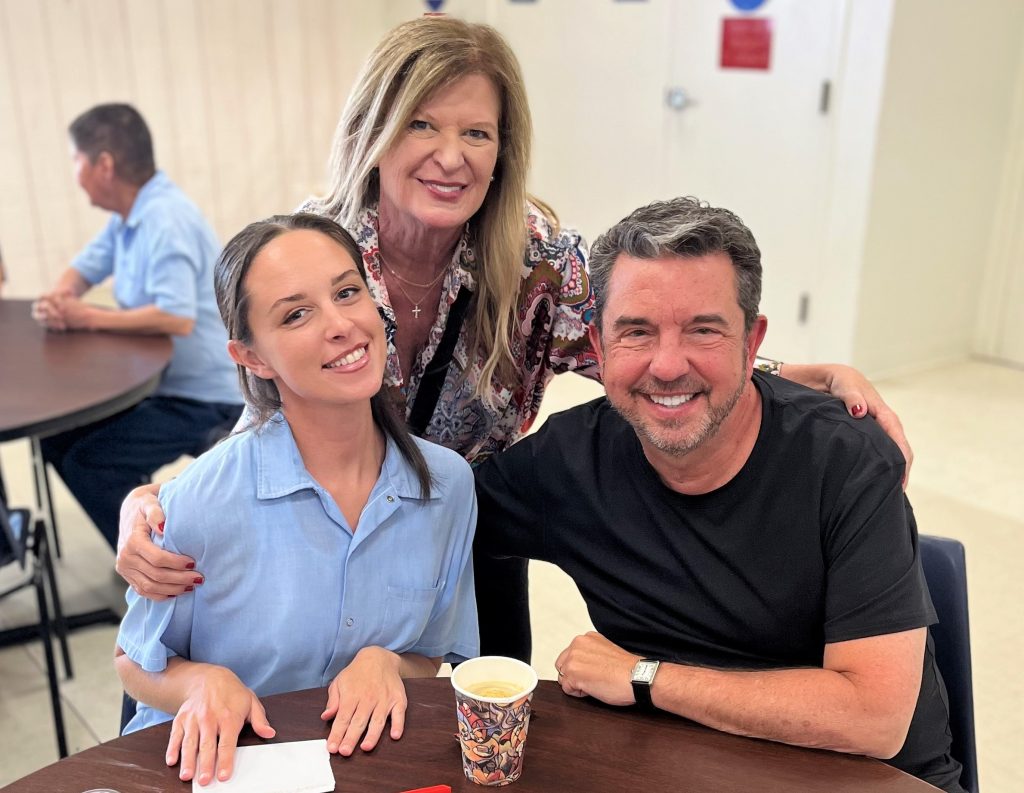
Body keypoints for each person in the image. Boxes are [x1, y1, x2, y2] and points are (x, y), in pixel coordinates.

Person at [113, 18, 910, 620]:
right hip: (331, 535)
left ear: (502, 151)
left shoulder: (533, 255)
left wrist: (809, 378)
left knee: (483, 734)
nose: (450, 155)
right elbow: (258, 417)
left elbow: (647, 350)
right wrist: (155, 500)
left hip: (471, 528)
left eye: (476, 132)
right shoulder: (312, 253)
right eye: (422, 123)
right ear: (373, 132)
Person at [472, 197, 965, 793]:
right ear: (598, 352)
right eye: (637, 331)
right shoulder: (565, 463)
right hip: (686, 768)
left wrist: (644, 676)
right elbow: (426, 521)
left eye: (704, 330)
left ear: (751, 343)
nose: (669, 365)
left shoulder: (844, 461)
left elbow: (873, 719)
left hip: (873, 780)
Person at [115, 213, 478, 786]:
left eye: (347, 292)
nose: (340, 325)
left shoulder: (448, 486)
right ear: (253, 357)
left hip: (357, 766)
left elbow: (435, 649)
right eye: (296, 314)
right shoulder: (201, 502)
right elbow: (133, 660)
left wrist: (389, 663)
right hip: (212, 769)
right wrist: (199, 681)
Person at [31, 103, 243, 550]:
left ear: (103, 165)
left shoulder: (165, 219)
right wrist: (61, 297)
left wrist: (84, 315)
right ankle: (139, 543)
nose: (74, 172)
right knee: (56, 439)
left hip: (204, 397)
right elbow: (86, 266)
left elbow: (175, 317)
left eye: (75, 160)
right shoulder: (129, 215)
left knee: (90, 461)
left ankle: (154, 569)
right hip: (162, 384)